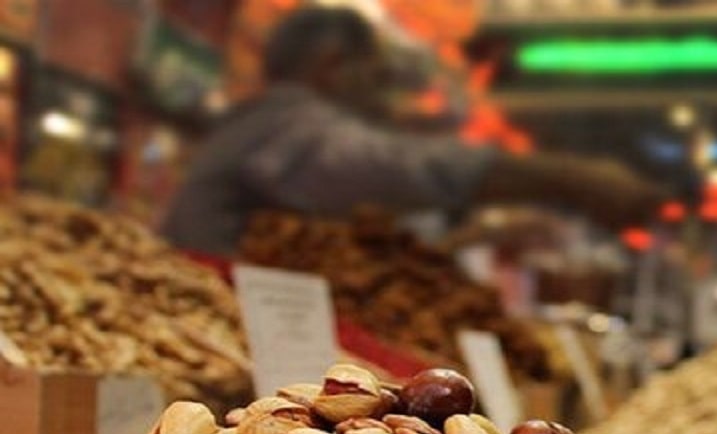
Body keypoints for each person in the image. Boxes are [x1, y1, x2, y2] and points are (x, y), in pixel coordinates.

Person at [163, 7, 665, 257]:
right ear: (333, 65)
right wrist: (568, 177)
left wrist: (480, 235)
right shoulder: (289, 120)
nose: (383, 95)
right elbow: (389, 166)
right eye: (376, 75)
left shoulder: (259, 122)